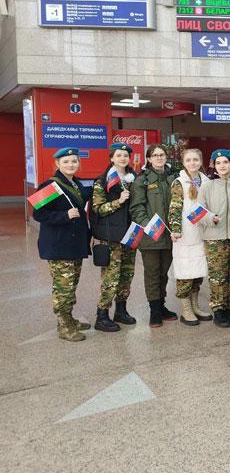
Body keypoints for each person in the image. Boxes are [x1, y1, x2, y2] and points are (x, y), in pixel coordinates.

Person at [32, 148, 93, 342]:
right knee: (63, 288)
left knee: (71, 285)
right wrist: (64, 215)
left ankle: (69, 319)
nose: (70, 165)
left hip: (74, 244)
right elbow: (38, 213)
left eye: (74, 161)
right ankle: (65, 327)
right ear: (57, 164)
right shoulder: (50, 185)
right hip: (59, 246)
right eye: (66, 162)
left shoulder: (76, 184)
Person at [90, 142, 138, 332]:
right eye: (118, 155)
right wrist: (119, 201)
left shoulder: (134, 178)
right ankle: (102, 316)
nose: (123, 158)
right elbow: (98, 208)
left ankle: (121, 311)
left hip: (130, 235)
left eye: (126, 155)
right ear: (111, 158)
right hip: (110, 237)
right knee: (111, 278)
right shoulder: (102, 181)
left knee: (127, 275)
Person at [130, 144, 179, 327]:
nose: (159, 158)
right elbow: (137, 208)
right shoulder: (141, 180)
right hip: (150, 236)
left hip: (170, 236)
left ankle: (161, 305)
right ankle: (154, 311)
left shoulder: (174, 177)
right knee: (152, 273)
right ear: (149, 159)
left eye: (162, 154)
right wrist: (148, 226)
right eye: (155, 155)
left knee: (164, 274)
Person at [198, 149, 230, 327]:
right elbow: (198, 212)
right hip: (213, 239)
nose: (222, 166)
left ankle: (227, 309)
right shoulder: (206, 186)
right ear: (214, 166)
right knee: (218, 277)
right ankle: (218, 310)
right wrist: (210, 218)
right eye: (218, 163)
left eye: (225, 162)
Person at [167, 148, 211, 326]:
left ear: (201, 161)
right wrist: (175, 229)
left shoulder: (206, 181)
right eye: (188, 160)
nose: (192, 163)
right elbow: (175, 207)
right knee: (185, 272)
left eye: (195, 160)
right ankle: (186, 310)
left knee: (198, 273)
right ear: (183, 163)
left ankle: (195, 306)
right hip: (185, 234)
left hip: (202, 234)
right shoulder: (179, 182)